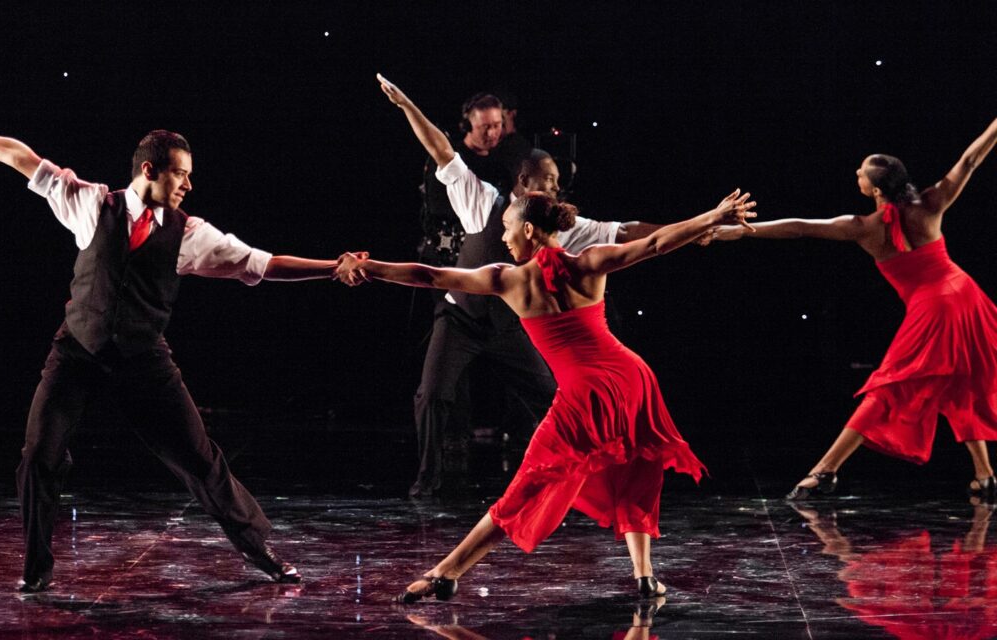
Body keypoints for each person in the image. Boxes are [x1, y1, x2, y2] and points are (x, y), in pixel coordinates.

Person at [0, 107, 361, 592]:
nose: (188, 185)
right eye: (180, 174)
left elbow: (261, 263)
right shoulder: (91, 203)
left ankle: (261, 550)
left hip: (141, 359)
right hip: (78, 352)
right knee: (38, 456)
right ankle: (36, 566)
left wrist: (331, 267)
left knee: (200, 460)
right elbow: (20, 157)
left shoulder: (189, 233)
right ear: (149, 170)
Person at [337, 189, 755, 602]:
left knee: (528, 485)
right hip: (630, 379)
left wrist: (368, 266)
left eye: (507, 227)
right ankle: (644, 574)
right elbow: (656, 244)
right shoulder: (589, 262)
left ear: (529, 230)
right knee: (634, 469)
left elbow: (429, 275)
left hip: (583, 394)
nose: (503, 237)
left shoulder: (507, 279)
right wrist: (712, 216)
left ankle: (445, 571)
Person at [377, 74, 662, 497]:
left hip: (510, 326)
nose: (556, 188)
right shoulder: (483, 202)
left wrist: (696, 229)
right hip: (461, 319)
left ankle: (581, 473)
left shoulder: (560, 226)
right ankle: (428, 479)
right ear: (524, 182)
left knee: (551, 397)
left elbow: (627, 232)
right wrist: (407, 106)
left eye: (557, 181)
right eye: (548, 181)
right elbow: (442, 151)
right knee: (433, 394)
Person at [711, 116, 997, 502]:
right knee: (963, 381)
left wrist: (739, 232)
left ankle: (825, 470)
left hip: (935, 308)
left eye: (861, 172)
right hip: (966, 295)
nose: (856, 174)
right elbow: (970, 160)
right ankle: (985, 475)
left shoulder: (863, 226)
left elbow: (799, 226)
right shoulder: (930, 202)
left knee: (888, 385)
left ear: (875, 189)